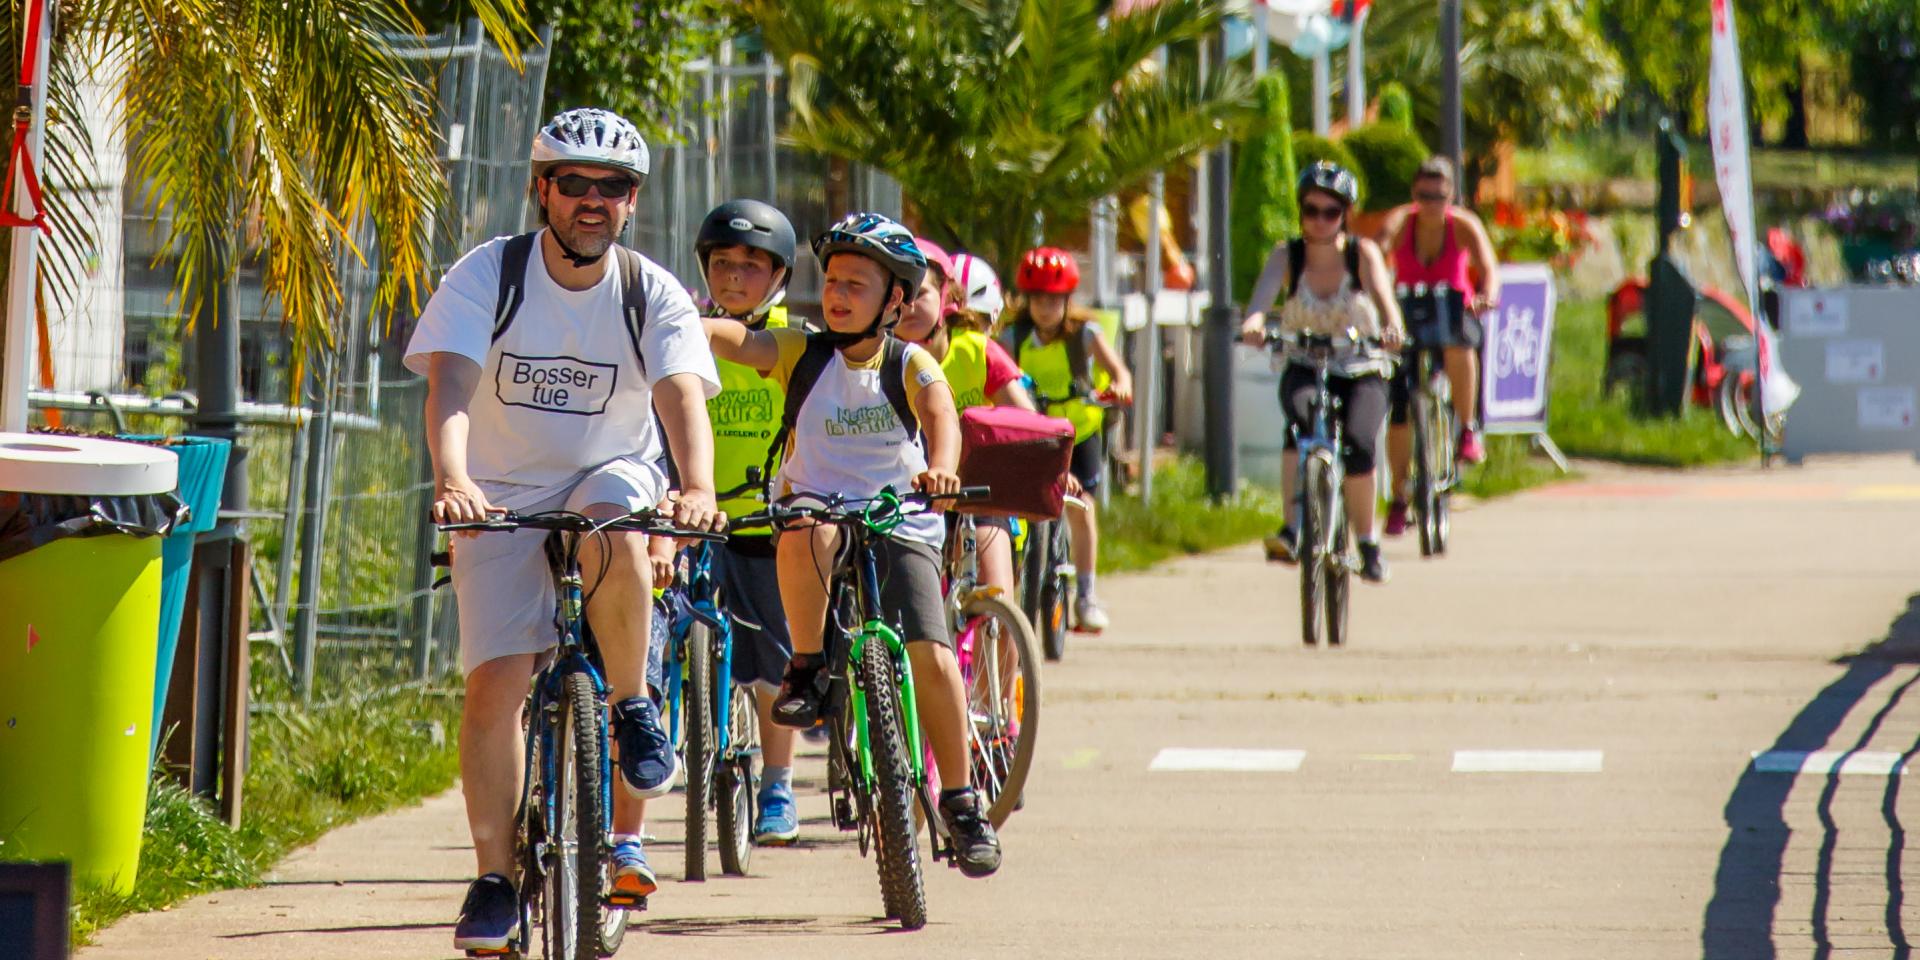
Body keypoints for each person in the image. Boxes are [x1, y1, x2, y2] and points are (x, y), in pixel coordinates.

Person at [406, 109, 724, 952]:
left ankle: (631, 708)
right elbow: (452, 386)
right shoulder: (489, 275)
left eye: (612, 187)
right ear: (540, 189)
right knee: (496, 685)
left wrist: (697, 488)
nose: (592, 201)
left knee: (615, 519)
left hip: (607, 473)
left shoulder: (648, 291)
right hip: (501, 491)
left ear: (631, 202)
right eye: (573, 183)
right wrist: (456, 478)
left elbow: (682, 394)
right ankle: (493, 883)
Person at [703, 212, 1003, 877]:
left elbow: (940, 417)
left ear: (895, 300)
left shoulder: (909, 360)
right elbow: (736, 340)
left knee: (930, 650)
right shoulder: (800, 353)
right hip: (821, 514)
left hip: (900, 518)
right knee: (804, 529)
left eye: (856, 284)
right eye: (832, 281)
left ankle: (959, 799)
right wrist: (681, 326)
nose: (837, 294)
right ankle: (807, 665)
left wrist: (944, 467)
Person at [685, 198, 812, 847]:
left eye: (752, 267)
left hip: (771, 524)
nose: (734, 278)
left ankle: (779, 783)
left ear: (781, 276)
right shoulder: (684, 336)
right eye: (723, 264)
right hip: (700, 522)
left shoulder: (792, 342)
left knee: (775, 662)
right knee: (689, 637)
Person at [1239, 161, 1407, 584]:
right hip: (1305, 361)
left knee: (1358, 441)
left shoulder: (1361, 254)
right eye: (1311, 210)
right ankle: (1294, 528)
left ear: (1345, 215)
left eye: (1330, 212)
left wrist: (1391, 330)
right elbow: (1259, 302)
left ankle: (1367, 541)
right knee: (1298, 423)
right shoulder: (1287, 255)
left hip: (1359, 365)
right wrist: (1254, 324)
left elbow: (1388, 306)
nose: (1319, 220)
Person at [893, 237, 1038, 601]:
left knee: (998, 590)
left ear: (947, 298)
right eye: (898, 293)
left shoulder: (977, 350)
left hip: (977, 492)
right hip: (907, 499)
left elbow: (1028, 421)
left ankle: (1009, 654)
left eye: (919, 293)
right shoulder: (877, 357)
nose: (907, 305)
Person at [1002, 247, 1132, 632]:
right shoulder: (1014, 337)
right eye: (1038, 298)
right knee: (1025, 508)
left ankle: (1087, 594)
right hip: (1036, 433)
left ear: (1067, 299)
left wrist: (1120, 387)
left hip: (1080, 433)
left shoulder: (1085, 335)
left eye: (1054, 299)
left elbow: (1119, 372)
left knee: (1081, 507)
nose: (1045, 307)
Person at [1380, 157, 1501, 540]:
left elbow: (1488, 266)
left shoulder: (1463, 226)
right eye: (1423, 195)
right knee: (1399, 404)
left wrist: (1486, 295)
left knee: (1459, 343)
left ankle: (1467, 428)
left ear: (1451, 196)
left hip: (1452, 308)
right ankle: (1399, 496)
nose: (1431, 203)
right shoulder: (1401, 223)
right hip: (1408, 310)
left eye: (1438, 195)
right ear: (1414, 195)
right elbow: (1379, 257)